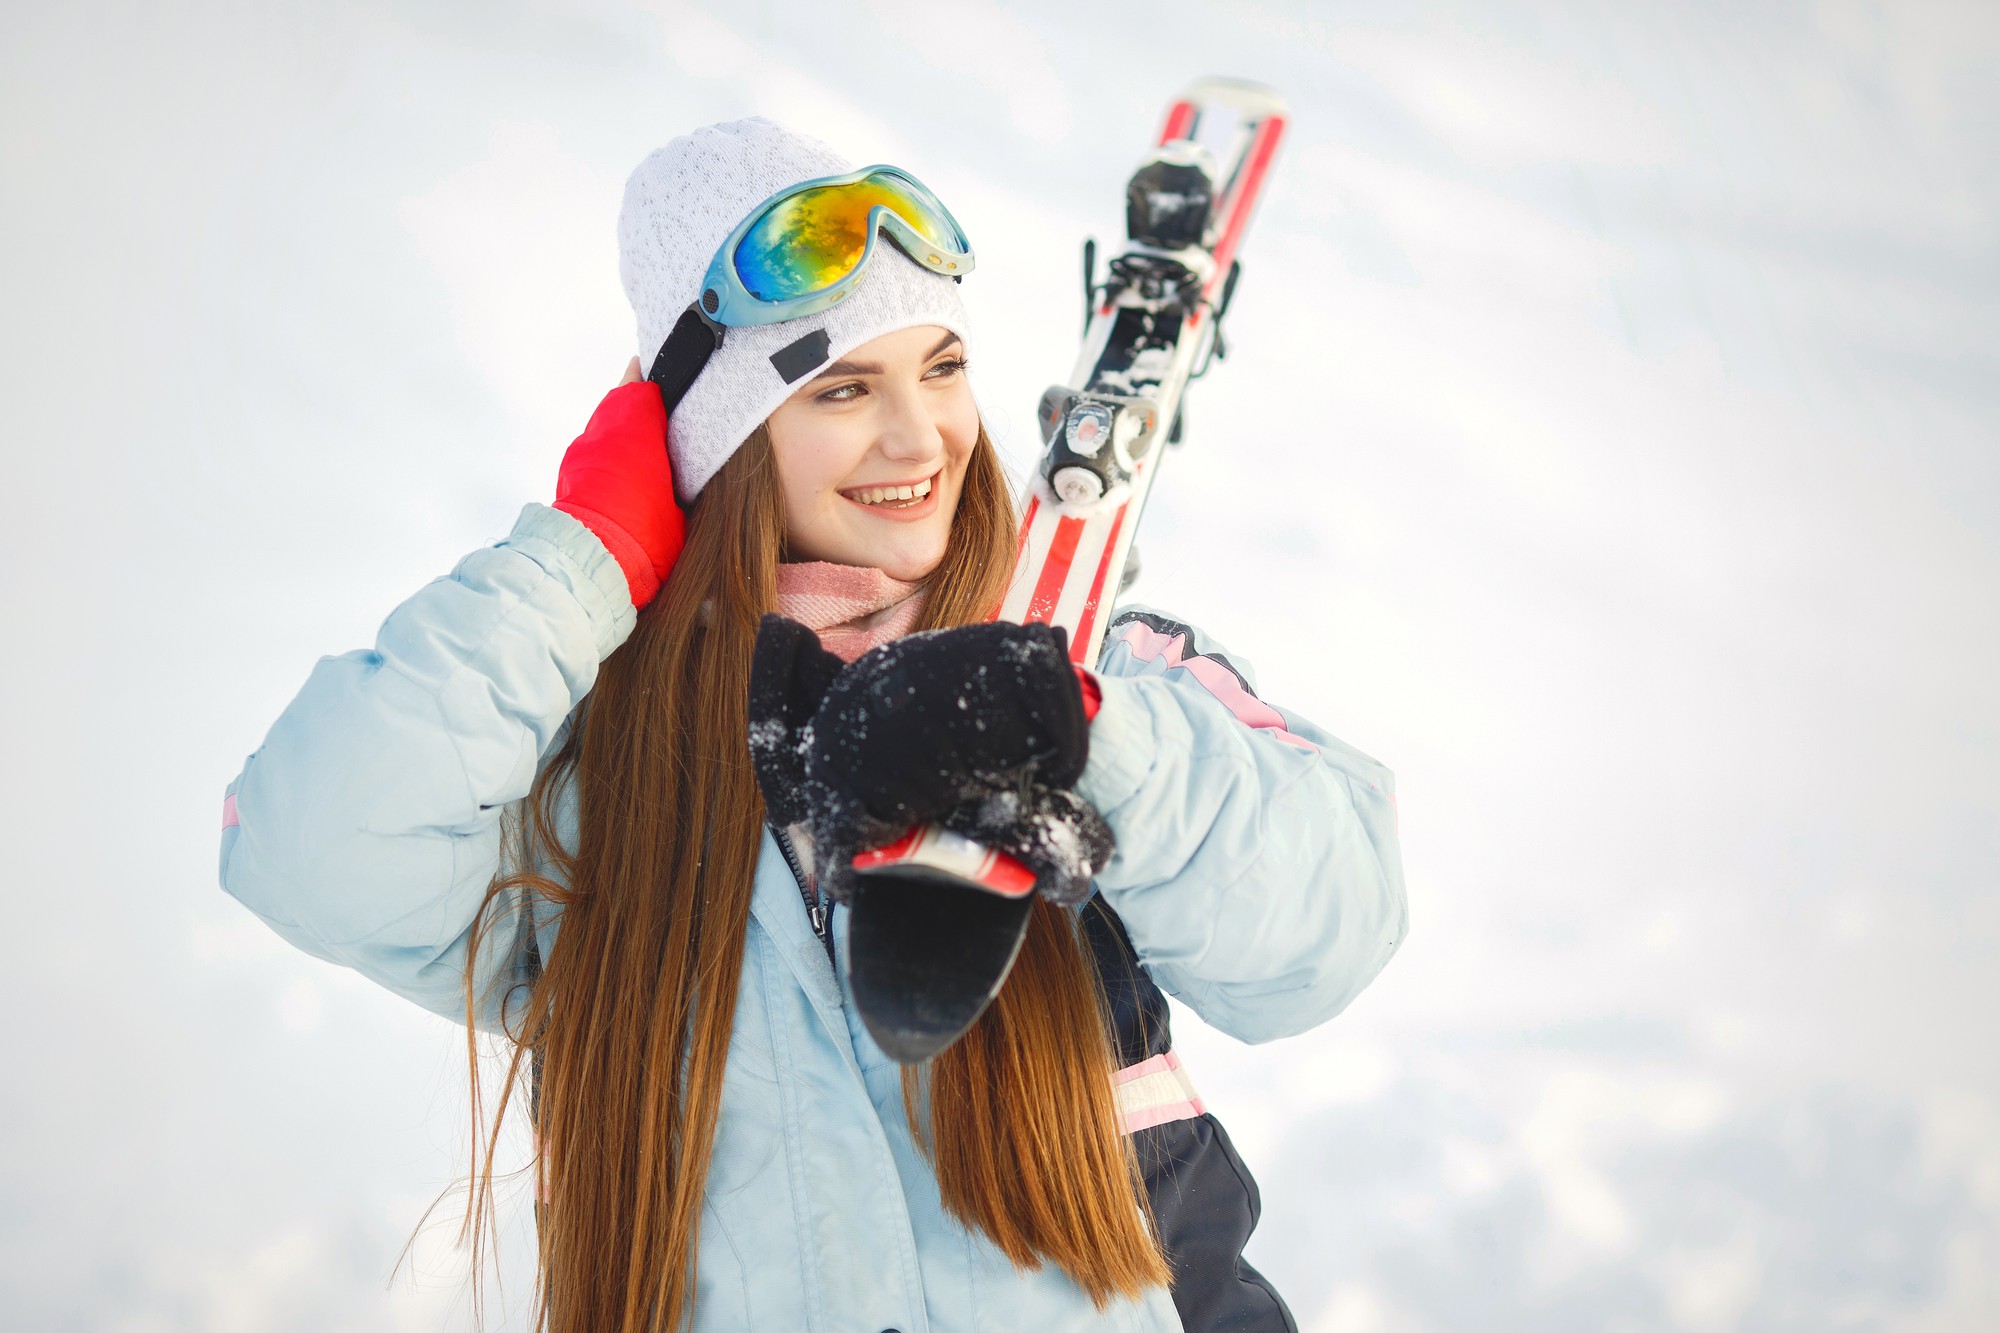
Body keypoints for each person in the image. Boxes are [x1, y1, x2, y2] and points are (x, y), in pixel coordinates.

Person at [219, 117, 1408, 1333]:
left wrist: (1075, 737)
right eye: (841, 388)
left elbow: (1329, 936)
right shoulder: (605, 775)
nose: (919, 438)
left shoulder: (1100, 664)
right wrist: (581, 561)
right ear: (721, 446)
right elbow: (311, 849)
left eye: (940, 369)